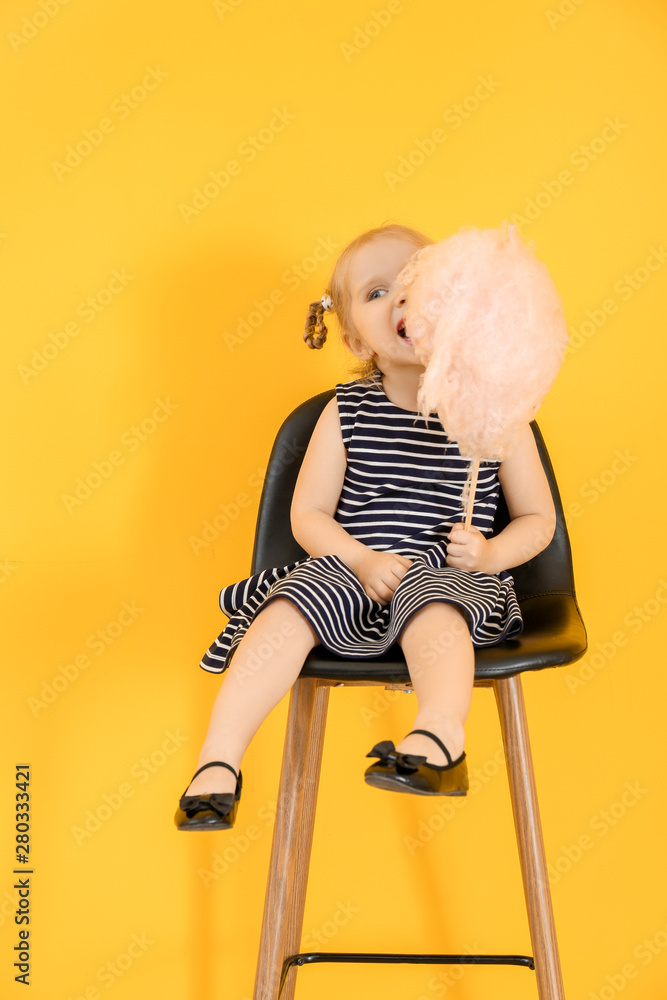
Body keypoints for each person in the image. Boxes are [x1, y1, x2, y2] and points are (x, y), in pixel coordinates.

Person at [174, 222, 557, 831]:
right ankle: (217, 761)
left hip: (447, 579)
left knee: (435, 604)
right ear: (355, 340)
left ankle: (438, 738)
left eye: (415, 284)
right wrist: (359, 559)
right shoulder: (344, 412)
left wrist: (489, 556)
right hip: (352, 570)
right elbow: (308, 517)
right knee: (286, 605)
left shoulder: (494, 413)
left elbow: (539, 520)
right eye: (378, 293)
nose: (402, 301)